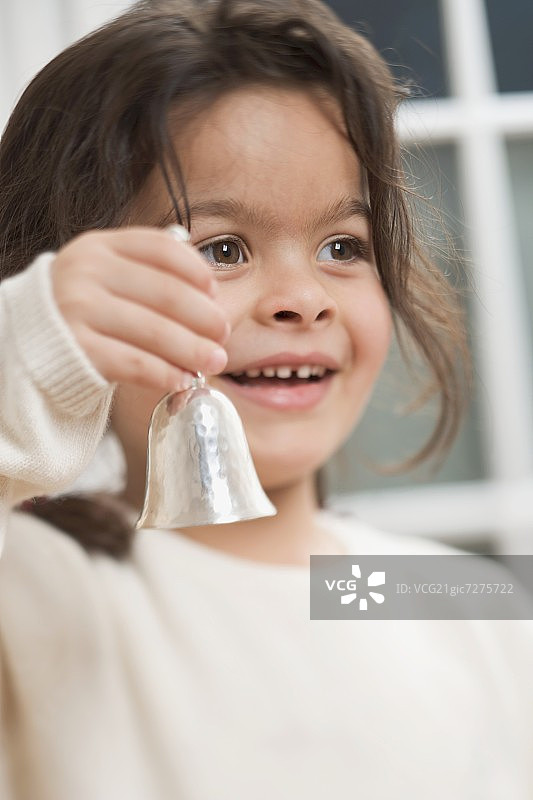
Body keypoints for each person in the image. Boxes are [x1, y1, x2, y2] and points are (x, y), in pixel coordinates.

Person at [0, 0, 531, 797]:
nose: (300, 297)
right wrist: (27, 341)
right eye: (221, 249)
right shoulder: (43, 589)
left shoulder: (459, 594)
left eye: (342, 247)